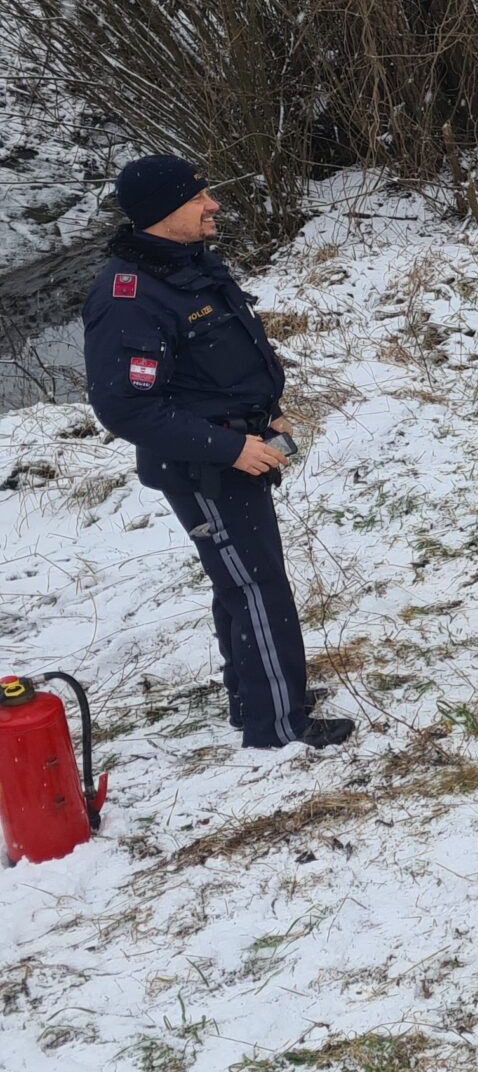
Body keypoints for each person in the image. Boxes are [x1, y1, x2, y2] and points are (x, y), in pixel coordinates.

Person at [82, 155, 352, 750]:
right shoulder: (129, 297)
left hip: (237, 450)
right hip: (205, 468)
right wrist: (231, 447)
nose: (214, 205)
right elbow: (125, 407)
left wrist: (265, 413)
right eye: (199, 197)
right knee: (257, 589)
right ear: (161, 213)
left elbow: (220, 359)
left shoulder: (187, 266)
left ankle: (258, 697)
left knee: (245, 584)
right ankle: (278, 727)